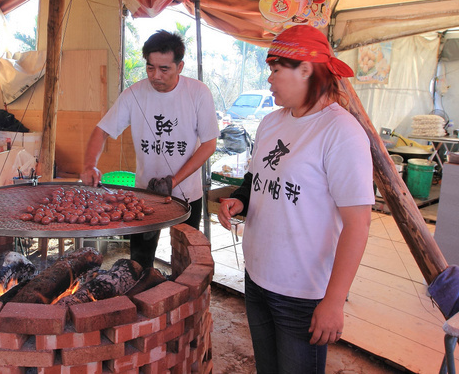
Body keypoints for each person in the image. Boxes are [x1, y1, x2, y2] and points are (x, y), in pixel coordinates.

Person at [218, 25, 374, 373]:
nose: (269, 80)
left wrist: (334, 301)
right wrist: (240, 200)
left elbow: (358, 224)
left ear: (305, 68)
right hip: (257, 274)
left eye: (275, 70)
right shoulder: (271, 123)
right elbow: (257, 177)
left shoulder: (341, 133)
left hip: (302, 291)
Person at [80, 30, 219, 269]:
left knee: (187, 261)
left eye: (164, 69)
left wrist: (173, 181)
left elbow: (209, 145)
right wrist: (89, 164)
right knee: (140, 260)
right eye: (150, 67)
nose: (156, 76)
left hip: (186, 193)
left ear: (180, 66)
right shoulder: (134, 94)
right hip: (144, 194)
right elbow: (102, 130)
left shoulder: (198, 93)